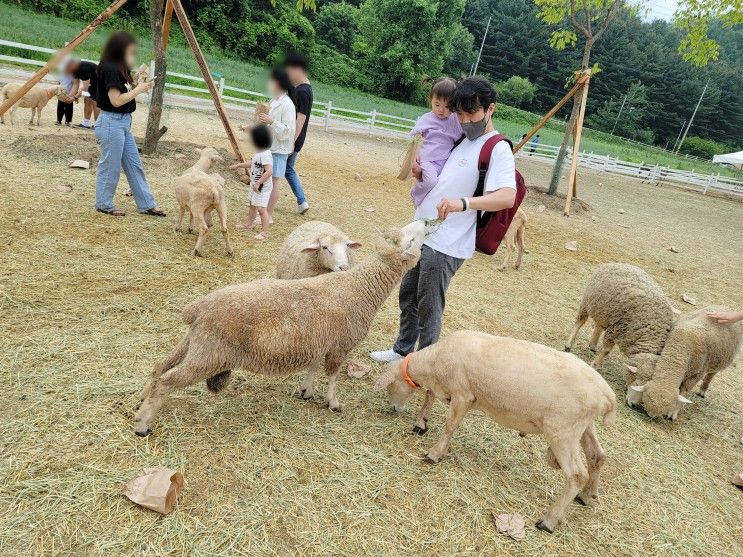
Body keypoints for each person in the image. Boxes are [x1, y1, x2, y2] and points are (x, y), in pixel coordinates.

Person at [370, 77, 516, 363]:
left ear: (490, 109)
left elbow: (506, 196)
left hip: (448, 243)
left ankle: (424, 364)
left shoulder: (497, 147)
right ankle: (402, 350)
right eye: (459, 113)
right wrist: (421, 173)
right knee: (408, 294)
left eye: (471, 113)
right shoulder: (462, 140)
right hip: (423, 233)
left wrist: (463, 203)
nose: (464, 120)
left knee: (429, 306)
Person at [93, 31, 165, 217]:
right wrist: (139, 89)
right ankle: (104, 203)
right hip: (111, 122)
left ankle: (147, 204)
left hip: (122, 123)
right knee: (111, 166)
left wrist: (138, 82)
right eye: (130, 51)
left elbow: (125, 92)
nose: (132, 55)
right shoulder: (109, 68)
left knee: (134, 164)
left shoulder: (118, 68)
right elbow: (116, 100)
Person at [408, 77, 462, 207]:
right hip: (428, 159)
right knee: (430, 182)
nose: (441, 110)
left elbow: (465, 133)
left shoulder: (455, 120)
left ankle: (429, 206)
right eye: (437, 105)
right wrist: (414, 155)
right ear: (430, 100)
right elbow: (413, 137)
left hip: (445, 161)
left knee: (441, 187)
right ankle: (416, 195)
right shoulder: (427, 119)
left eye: (447, 106)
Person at [257, 67, 296, 224]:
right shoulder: (274, 101)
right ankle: (263, 213)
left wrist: (271, 122)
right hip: (270, 146)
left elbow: (288, 131)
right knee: (267, 181)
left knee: (274, 182)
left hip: (279, 149)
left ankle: (269, 215)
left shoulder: (287, 105)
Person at [230, 125, 274, 240]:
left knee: (261, 209)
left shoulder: (265, 154)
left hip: (262, 187)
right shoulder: (259, 152)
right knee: (252, 205)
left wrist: (259, 182)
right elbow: (253, 163)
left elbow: (269, 172)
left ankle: (264, 232)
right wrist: (239, 165)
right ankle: (248, 223)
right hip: (255, 185)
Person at [284, 52, 312, 214]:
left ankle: (262, 202)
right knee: (288, 169)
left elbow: (300, 118)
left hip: (295, 137)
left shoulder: (303, 91)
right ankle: (302, 201)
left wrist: (291, 140)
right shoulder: (302, 89)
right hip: (297, 137)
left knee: (277, 167)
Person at [65, 57, 100, 129]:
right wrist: (70, 97)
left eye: (68, 67)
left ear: (73, 64)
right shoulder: (73, 70)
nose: (68, 70)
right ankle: (85, 124)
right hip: (91, 83)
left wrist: (75, 97)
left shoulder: (83, 68)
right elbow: (76, 85)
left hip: (100, 82)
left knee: (95, 102)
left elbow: (85, 88)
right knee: (86, 100)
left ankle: (98, 125)